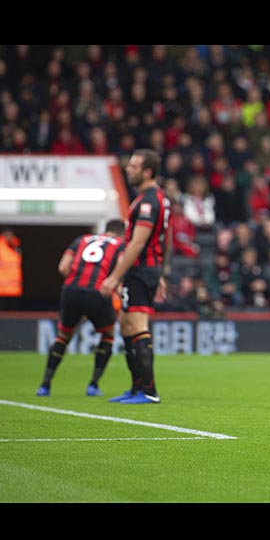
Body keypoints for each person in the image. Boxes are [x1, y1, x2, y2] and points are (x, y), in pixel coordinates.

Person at [99, 149, 171, 404]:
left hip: (140, 270)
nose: (128, 169)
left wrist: (114, 277)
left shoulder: (148, 202)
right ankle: (136, 387)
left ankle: (149, 391)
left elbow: (138, 243)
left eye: (134, 166)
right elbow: (163, 239)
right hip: (144, 269)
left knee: (138, 326)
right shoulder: (153, 198)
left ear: (147, 171)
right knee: (127, 326)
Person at [36, 219, 126, 397]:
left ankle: (45, 385)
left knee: (63, 336)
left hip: (71, 290)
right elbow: (119, 271)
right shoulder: (121, 245)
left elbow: (63, 267)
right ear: (122, 233)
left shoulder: (82, 240)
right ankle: (93, 385)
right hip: (97, 292)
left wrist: (79, 285)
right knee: (108, 335)